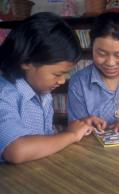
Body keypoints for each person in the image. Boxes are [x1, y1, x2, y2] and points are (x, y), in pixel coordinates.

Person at [0, 12, 93, 164]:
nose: (62, 80)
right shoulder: (4, 94)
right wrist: (71, 135)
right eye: (57, 74)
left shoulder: (43, 94)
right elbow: (16, 151)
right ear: (27, 62)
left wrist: (78, 128)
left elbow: (44, 141)